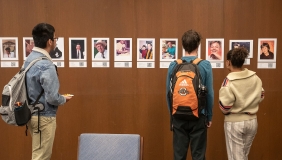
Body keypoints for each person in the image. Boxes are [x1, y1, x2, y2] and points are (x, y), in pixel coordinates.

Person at [24, 23, 72, 160]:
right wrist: (63, 99)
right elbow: (52, 97)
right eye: (55, 38)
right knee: (41, 157)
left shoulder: (29, 59)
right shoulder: (46, 64)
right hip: (44, 117)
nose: (55, 41)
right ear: (50, 41)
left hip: (31, 114)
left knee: (39, 155)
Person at [166, 30, 214, 160]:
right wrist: (209, 116)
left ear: (183, 46)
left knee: (179, 156)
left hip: (178, 116)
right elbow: (209, 94)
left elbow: (168, 93)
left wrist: (172, 116)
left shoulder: (174, 65)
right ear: (198, 45)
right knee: (198, 155)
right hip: (199, 115)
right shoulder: (205, 65)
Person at [219, 48, 264, 160]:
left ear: (228, 62)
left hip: (235, 122)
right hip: (252, 121)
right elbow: (261, 95)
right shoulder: (255, 77)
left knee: (236, 158)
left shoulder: (228, 81)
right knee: (243, 156)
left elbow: (225, 107)